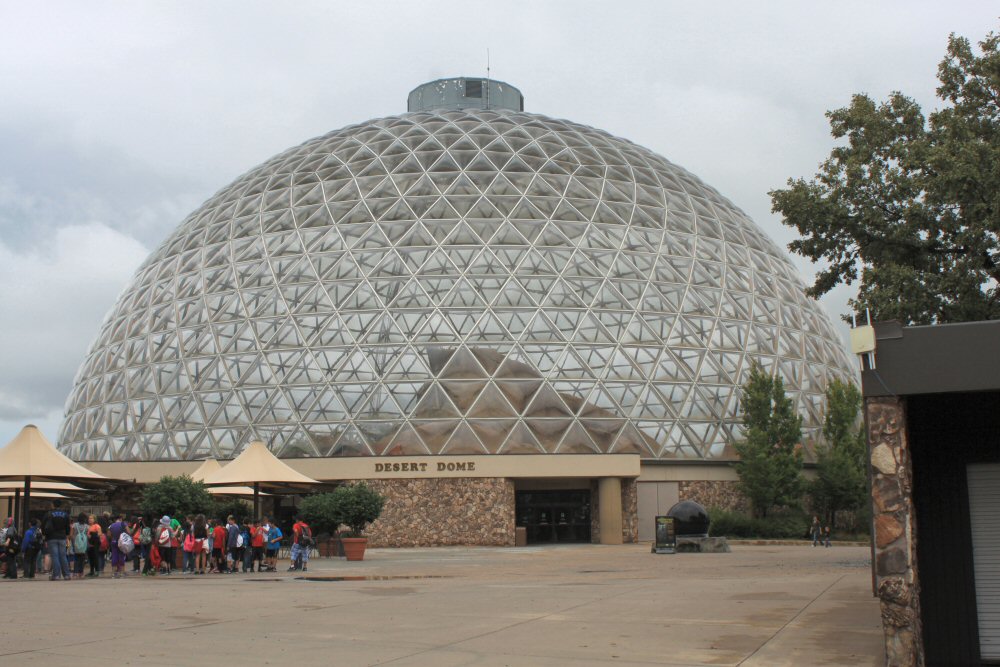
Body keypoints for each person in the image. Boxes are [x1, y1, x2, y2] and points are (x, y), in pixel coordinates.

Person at [43, 499, 71, 580]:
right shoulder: (65, 514)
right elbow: (68, 526)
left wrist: (45, 535)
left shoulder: (49, 514)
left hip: (52, 537)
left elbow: (44, 525)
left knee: (55, 556)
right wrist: (66, 535)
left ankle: (56, 575)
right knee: (63, 556)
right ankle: (66, 574)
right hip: (62, 536)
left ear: (53, 505)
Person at [107, 514, 128, 579]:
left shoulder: (111, 525)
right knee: (121, 556)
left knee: (114, 556)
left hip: (114, 542)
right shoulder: (123, 524)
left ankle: (114, 573)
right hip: (121, 542)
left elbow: (108, 535)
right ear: (120, 519)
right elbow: (128, 532)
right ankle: (122, 573)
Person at [70, 513, 89, 579]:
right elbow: (88, 535)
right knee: (82, 559)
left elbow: (71, 535)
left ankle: (75, 573)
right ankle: (81, 573)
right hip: (84, 545)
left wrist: (74, 541)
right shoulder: (87, 526)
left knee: (76, 558)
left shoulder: (74, 525)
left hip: (75, 544)